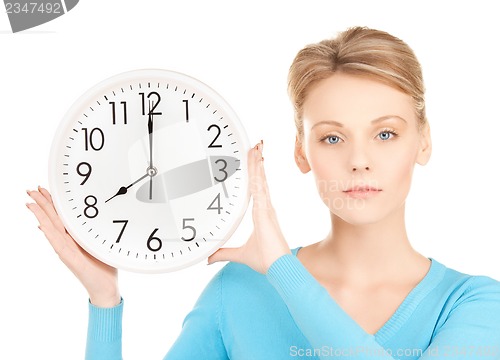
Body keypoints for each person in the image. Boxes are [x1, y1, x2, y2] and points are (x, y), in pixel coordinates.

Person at [26, 26, 500, 359]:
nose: (359, 160)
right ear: (301, 152)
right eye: (332, 137)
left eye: (386, 133)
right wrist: (104, 302)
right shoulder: (238, 292)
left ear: (424, 141)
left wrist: (283, 271)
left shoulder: (476, 305)